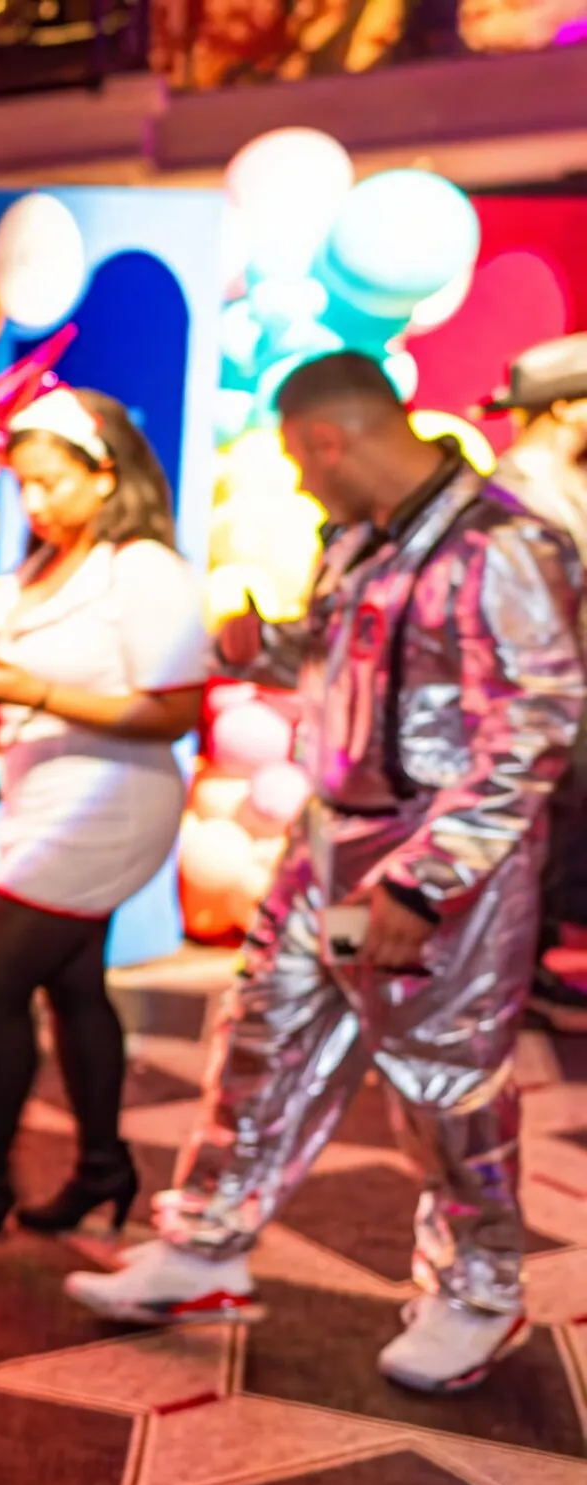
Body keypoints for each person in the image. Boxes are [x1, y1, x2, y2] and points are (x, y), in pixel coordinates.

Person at [68, 351, 586, 1393]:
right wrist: (268, 647)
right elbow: (352, 657)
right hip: (327, 850)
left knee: (445, 1090)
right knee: (263, 1036)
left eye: (299, 462)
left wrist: (422, 881)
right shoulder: (358, 538)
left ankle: (478, 1293)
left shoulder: (505, 543)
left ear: (326, 440)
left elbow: (534, 726)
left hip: (437, 873)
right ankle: (207, 1244)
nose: (299, 483)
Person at [0, 389, 208, 1257]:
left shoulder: (144, 567)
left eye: (52, 483)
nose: (35, 502)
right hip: (40, 796)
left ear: (104, 473)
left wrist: (37, 693)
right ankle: (103, 1166)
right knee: (74, 987)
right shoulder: (48, 565)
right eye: (25, 485)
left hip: (110, 801)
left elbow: (173, 709)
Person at [485, 334, 587, 1030]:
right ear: (566, 410)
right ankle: (504, 981)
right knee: (529, 836)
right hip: (535, 701)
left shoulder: (563, 488)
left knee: (557, 838)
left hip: (568, 696)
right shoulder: (512, 494)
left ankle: (531, 965)